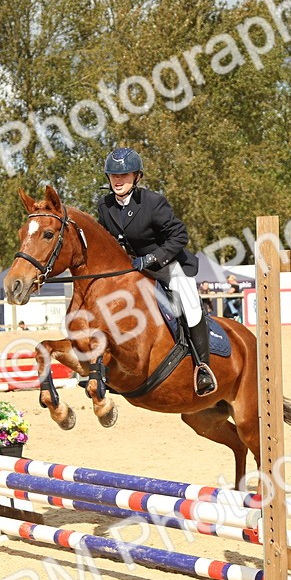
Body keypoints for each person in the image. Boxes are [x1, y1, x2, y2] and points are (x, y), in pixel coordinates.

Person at [95, 147, 216, 396]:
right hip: (131, 270)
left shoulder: (152, 202)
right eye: (114, 176)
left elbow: (179, 235)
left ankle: (203, 367)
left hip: (167, 264)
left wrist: (151, 258)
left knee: (190, 303)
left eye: (125, 175)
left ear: (137, 176)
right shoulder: (105, 206)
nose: (118, 180)